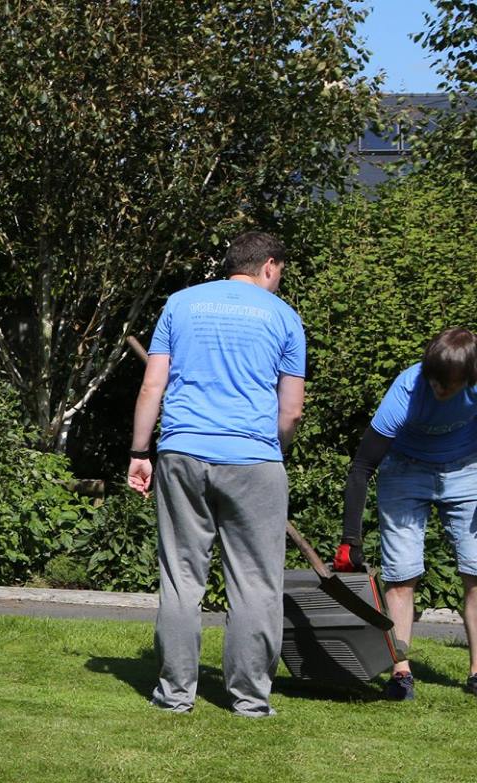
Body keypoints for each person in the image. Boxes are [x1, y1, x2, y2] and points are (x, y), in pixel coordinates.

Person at [127, 231, 306, 717]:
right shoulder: (285, 318)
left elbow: (152, 386)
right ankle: (249, 699)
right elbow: (290, 412)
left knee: (182, 577)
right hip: (254, 458)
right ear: (269, 265)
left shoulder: (180, 305)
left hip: (182, 451)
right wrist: (275, 452)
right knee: (254, 581)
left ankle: (175, 694)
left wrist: (140, 451)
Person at [332, 327, 477, 700]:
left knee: (476, 572)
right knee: (401, 574)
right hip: (406, 471)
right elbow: (363, 465)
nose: (438, 391)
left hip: (466, 470)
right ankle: (400, 673)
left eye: (448, 386)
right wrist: (351, 539)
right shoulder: (407, 389)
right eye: (434, 381)